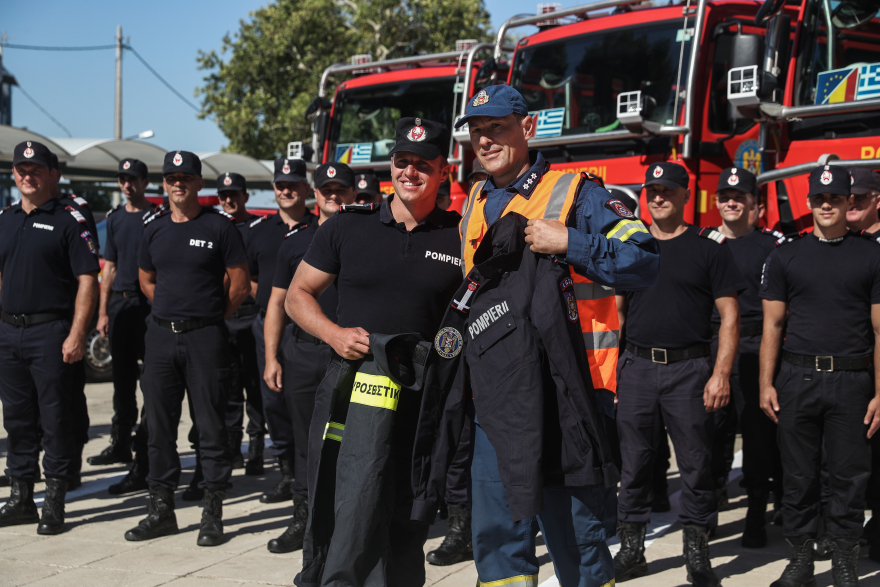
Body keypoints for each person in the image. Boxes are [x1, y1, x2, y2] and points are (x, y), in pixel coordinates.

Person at [453, 84, 659, 587]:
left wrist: (570, 241)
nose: (485, 140)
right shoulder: (475, 200)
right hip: (495, 401)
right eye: (477, 132)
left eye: (497, 127)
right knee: (497, 545)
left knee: (576, 543)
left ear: (528, 127)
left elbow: (644, 260)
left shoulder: (578, 193)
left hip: (569, 398)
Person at [289, 117, 463, 587]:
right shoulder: (349, 226)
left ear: (443, 171)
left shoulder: (461, 235)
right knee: (345, 504)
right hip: (352, 394)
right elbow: (297, 295)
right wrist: (333, 334)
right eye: (402, 161)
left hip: (422, 402)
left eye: (423, 164)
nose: (410, 172)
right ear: (390, 166)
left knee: (409, 513)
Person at [614, 162, 744, 587]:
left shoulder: (710, 248)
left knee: (696, 465)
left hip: (689, 370)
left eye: (668, 190)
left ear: (686, 195)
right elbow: (618, 314)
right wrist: (614, 373)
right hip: (636, 367)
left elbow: (730, 317)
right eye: (652, 190)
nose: (658, 197)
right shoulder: (633, 244)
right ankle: (631, 551)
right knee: (634, 465)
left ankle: (697, 555)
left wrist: (720, 374)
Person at [760, 164, 880, 587]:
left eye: (835, 198)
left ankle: (845, 560)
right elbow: (772, 325)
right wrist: (765, 383)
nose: (826, 205)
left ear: (850, 202)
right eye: (819, 198)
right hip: (797, 378)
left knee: (849, 477)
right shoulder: (786, 255)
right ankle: (801, 561)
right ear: (810, 202)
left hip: (852, 381)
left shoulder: (872, 255)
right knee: (798, 476)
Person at [124, 150, 250, 547]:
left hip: (206, 338)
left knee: (210, 427)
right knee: (158, 428)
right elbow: (146, 280)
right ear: (164, 184)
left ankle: (212, 513)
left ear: (198, 182)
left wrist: (208, 315)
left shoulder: (219, 227)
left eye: (186, 177)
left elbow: (239, 284)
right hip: (161, 337)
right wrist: (172, 311)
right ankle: (161, 510)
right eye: (172, 178)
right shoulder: (154, 228)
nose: (178, 183)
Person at [0, 140, 100, 534]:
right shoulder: (6, 219)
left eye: (36, 170)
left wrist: (77, 334)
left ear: (51, 174)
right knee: (17, 419)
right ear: (14, 174)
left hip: (51, 332)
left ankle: (55, 502)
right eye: (22, 170)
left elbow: (87, 280)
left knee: (55, 418)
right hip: (9, 332)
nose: (28, 176)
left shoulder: (68, 219)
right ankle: (21, 498)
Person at [262, 162, 355, 554]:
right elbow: (276, 304)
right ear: (314, 194)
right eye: (326, 190)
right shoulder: (294, 243)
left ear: (353, 194)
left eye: (340, 189)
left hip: (350, 356)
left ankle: (347, 523)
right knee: (304, 441)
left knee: (352, 442)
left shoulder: (367, 237)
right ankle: (303, 518)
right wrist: (272, 357)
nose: (333, 196)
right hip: (302, 353)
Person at [709, 167, 783, 548]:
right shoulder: (706, 243)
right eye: (725, 197)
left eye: (740, 197)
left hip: (755, 348)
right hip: (713, 347)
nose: (731, 203)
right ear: (716, 201)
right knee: (711, 432)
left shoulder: (772, 247)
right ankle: (708, 510)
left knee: (757, 436)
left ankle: (756, 516)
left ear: (755, 203)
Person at [248, 157, 316, 504]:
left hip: (309, 330)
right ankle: (287, 473)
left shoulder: (321, 228)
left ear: (306, 188)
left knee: (306, 403)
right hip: (271, 325)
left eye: (293, 185)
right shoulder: (259, 231)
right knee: (273, 399)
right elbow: (250, 280)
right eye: (280, 185)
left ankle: (309, 475)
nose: (286, 191)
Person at [90, 159, 156, 475]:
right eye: (122, 180)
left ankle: (147, 443)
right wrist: (103, 311)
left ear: (145, 182)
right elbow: (110, 269)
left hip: (149, 306)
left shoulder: (156, 216)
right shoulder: (114, 219)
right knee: (122, 378)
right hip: (120, 305)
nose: (127, 185)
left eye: (133, 179)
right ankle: (120, 443)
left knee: (152, 379)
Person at [217, 172, 266, 475]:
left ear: (246, 196)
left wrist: (240, 280)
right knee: (230, 389)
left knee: (255, 389)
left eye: (234, 194)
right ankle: (233, 449)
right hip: (224, 320)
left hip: (251, 317)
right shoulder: (216, 227)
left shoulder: (258, 229)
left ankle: (256, 451)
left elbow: (263, 278)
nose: (229, 200)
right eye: (224, 195)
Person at [846, 167, 880, 236]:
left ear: (878, 201)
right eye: (846, 197)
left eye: (859, 197)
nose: (852, 202)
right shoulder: (828, 237)